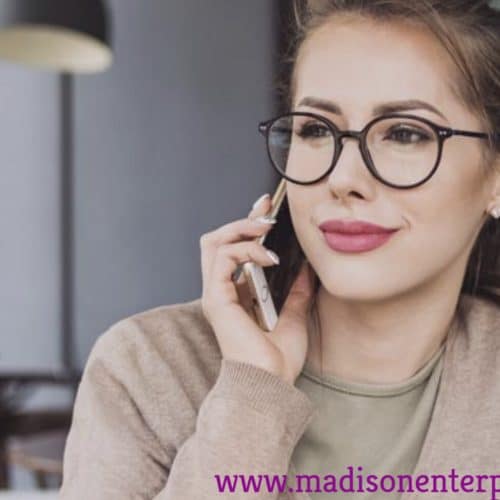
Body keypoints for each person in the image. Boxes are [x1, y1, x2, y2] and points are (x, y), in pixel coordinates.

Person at [59, 1, 500, 499]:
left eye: (404, 133)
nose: (343, 179)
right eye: (316, 129)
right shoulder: (148, 369)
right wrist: (251, 397)